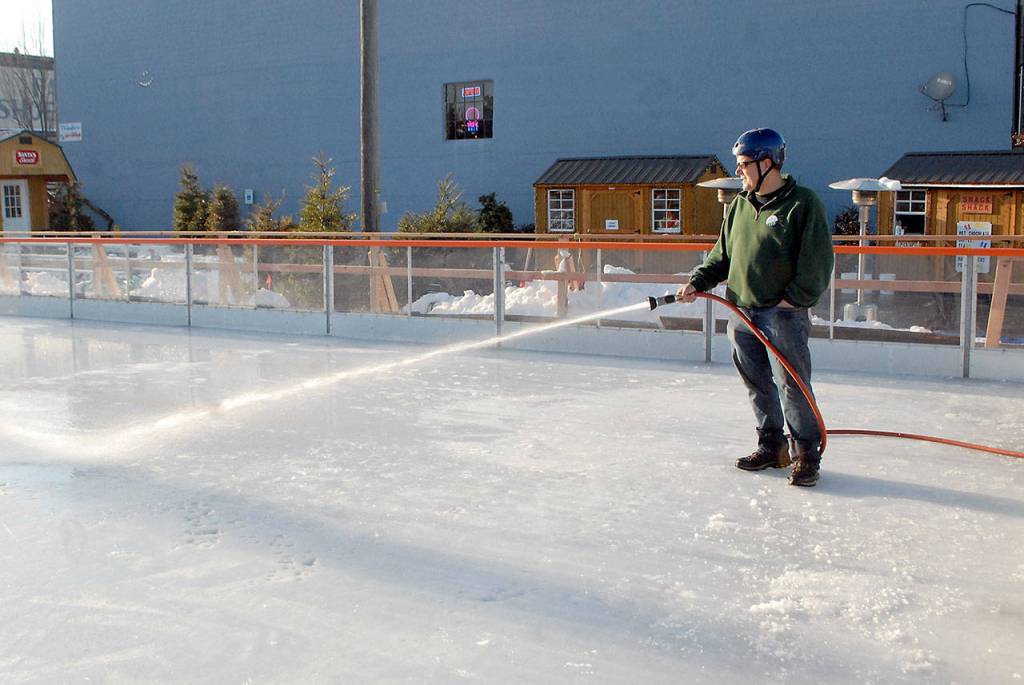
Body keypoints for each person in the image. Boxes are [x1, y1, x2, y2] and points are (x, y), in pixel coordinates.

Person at [676, 128, 833, 487]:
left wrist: (793, 298)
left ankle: (806, 454)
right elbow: (722, 256)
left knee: (792, 385)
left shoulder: (802, 204)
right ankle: (772, 445)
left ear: (768, 163)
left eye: (744, 164)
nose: (739, 171)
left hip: (783, 315)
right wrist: (698, 281)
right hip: (743, 313)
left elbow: (817, 262)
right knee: (757, 382)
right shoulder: (739, 207)